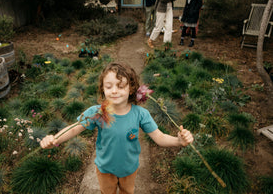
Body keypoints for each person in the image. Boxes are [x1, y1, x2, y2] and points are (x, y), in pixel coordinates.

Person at [40, 61, 194, 194]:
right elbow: (74, 128)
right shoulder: (97, 112)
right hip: (105, 169)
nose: (114, 90)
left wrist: (178, 141)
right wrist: (54, 139)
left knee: (128, 192)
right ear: (103, 88)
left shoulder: (140, 114)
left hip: (129, 169)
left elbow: (159, 137)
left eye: (120, 86)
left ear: (132, 88)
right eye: (109, 86)